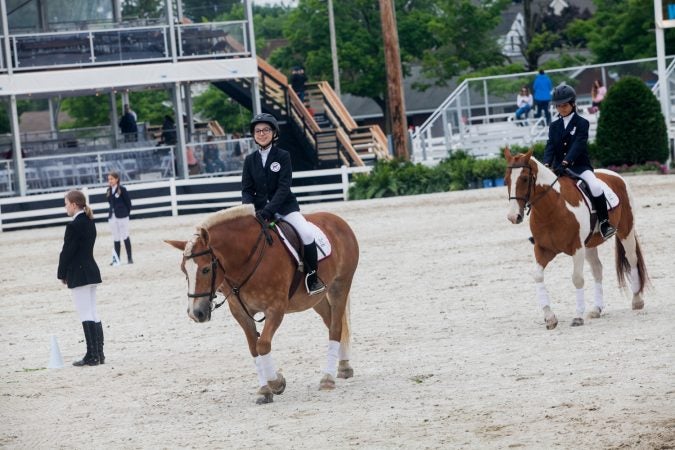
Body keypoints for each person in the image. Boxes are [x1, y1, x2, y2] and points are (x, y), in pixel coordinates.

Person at [241, 113, 326, 295]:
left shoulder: (283, 156)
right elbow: (247, 189)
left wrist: (268, 210)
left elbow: (283, 187)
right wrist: (248, 209)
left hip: (285, 208)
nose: (262, 134)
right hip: (258, 211)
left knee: (306, 233)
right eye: (258, 131)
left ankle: (312, 277)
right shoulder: (250, 160)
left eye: (266, 130)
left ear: (273, 133)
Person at [543, 84, 616, 239]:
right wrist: (547, 164)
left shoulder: (582, 123)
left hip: (580, 167)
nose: (562, 109)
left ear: (573, 104)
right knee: (544, 191)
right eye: (559, 106)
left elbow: (578, 145)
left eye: (565, 105)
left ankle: (604, 223)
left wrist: (565, 162)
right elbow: (550, 145)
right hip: (558, 169)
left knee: (595, 187)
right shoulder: (554, 126)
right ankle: (545, 226)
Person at [57, 190, 104, 367]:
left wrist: (61, 273)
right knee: (93, 311)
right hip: (91, 270)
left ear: (74, 204)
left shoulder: (73, 226)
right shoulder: (90, 221)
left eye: (66, 203)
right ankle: (99, 353)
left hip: (79, 273)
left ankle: (92, 355)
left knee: (85, 313)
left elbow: (67, 252)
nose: (65, 207)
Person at [106, 172, 133, 265]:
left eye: (111, 179)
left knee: (125, 235)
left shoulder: (122, 189)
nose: (110, 181)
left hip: (122, 216)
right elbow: (110, 202)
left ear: (116, 179)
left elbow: (128, 203)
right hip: (112, 216)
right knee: (116, 237)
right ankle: (117, 259)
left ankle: (129, 258)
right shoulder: (108, 190)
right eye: (109, 179)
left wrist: (126, 213)